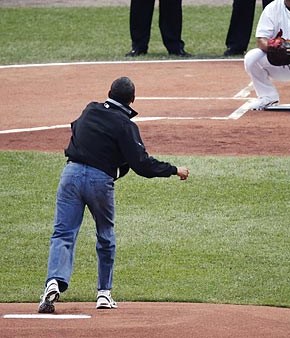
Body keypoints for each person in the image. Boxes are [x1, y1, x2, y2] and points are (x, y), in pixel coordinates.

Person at [38, 77, 189, 313]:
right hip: (99, 181)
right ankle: (103, 294)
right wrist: (173, 170)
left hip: (70, 175)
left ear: (108, 92)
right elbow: (142, 164)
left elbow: (76, 128)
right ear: (132, 99)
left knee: (63, 233)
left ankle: (53, 281)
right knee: (105, 236)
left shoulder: (90, 110)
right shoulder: (125, 125)